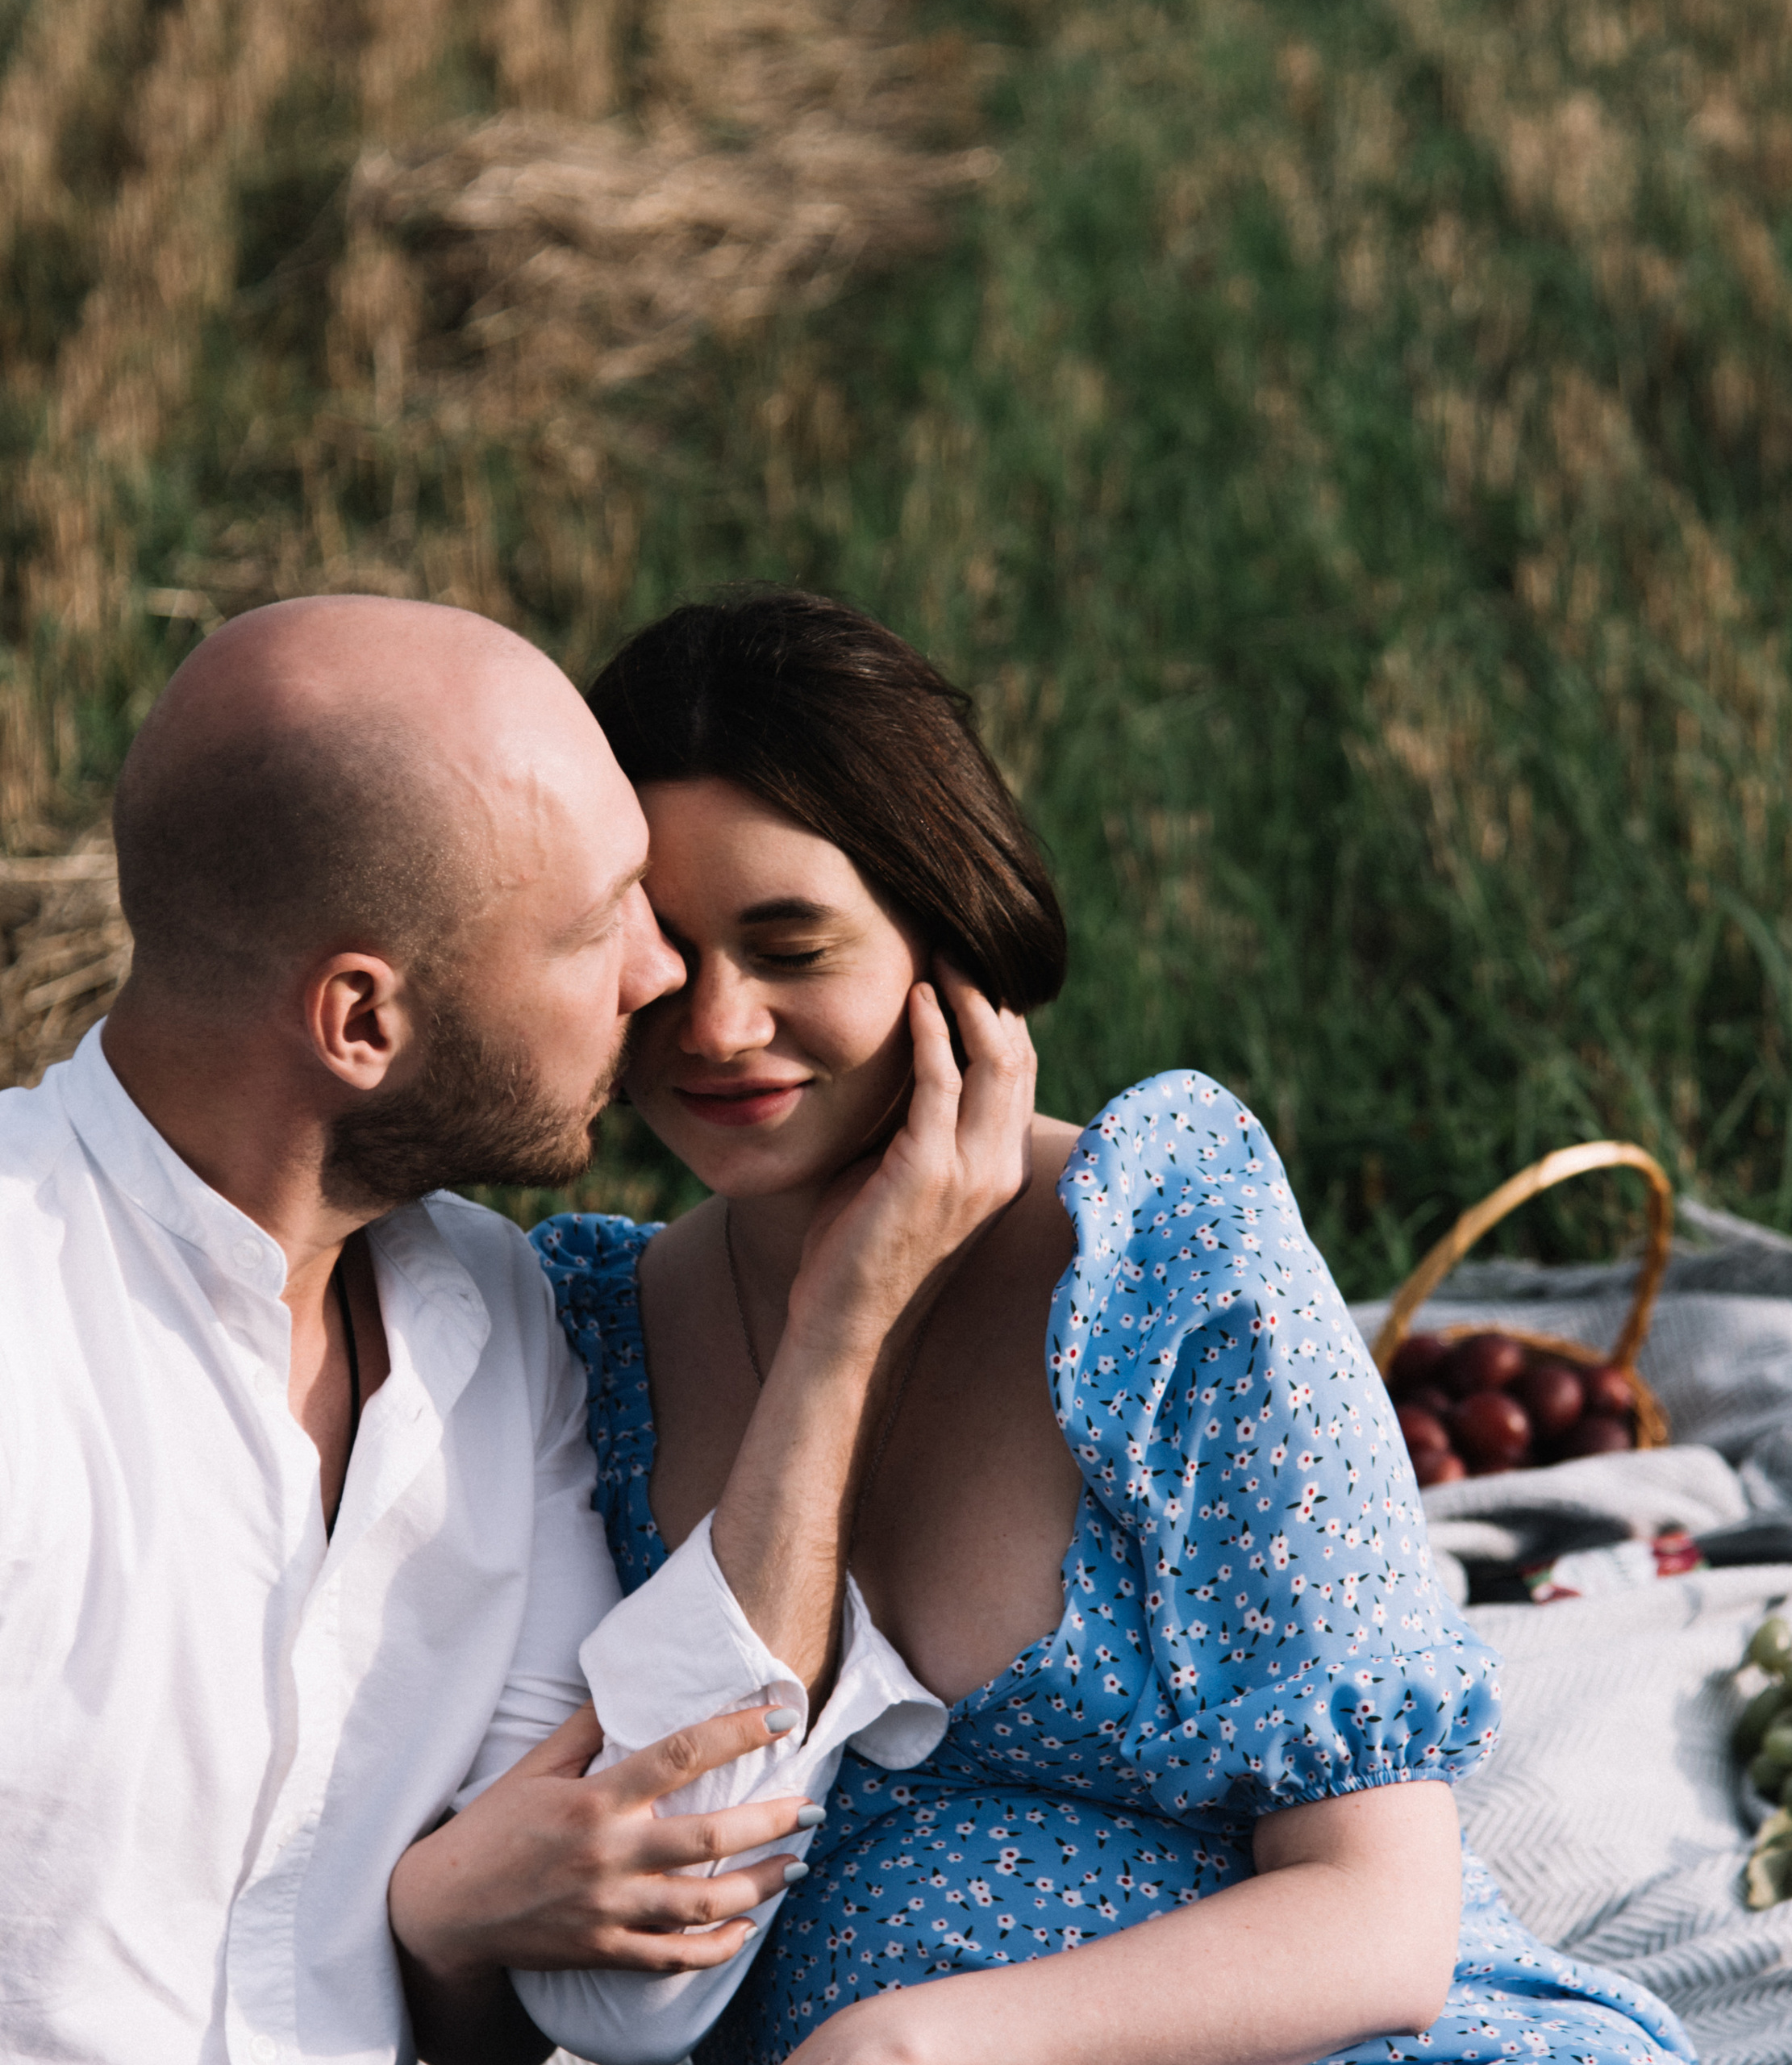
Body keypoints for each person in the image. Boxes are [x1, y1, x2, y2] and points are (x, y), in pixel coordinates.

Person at [523, 589, 1698, 2065]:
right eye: (667, 956)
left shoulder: (1162, 1249)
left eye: (793, 947)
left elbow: (1382, 1921)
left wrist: (903, 2049)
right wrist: (840, 1326)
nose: (714, 1026)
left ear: (943, 933)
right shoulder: (590, 1336)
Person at [0, 594, 1034, 2065]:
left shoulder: (503, 1323)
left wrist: (839, 1331)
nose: (662, 980)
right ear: (362, 1022)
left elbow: (638, 1961)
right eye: (602, 922)